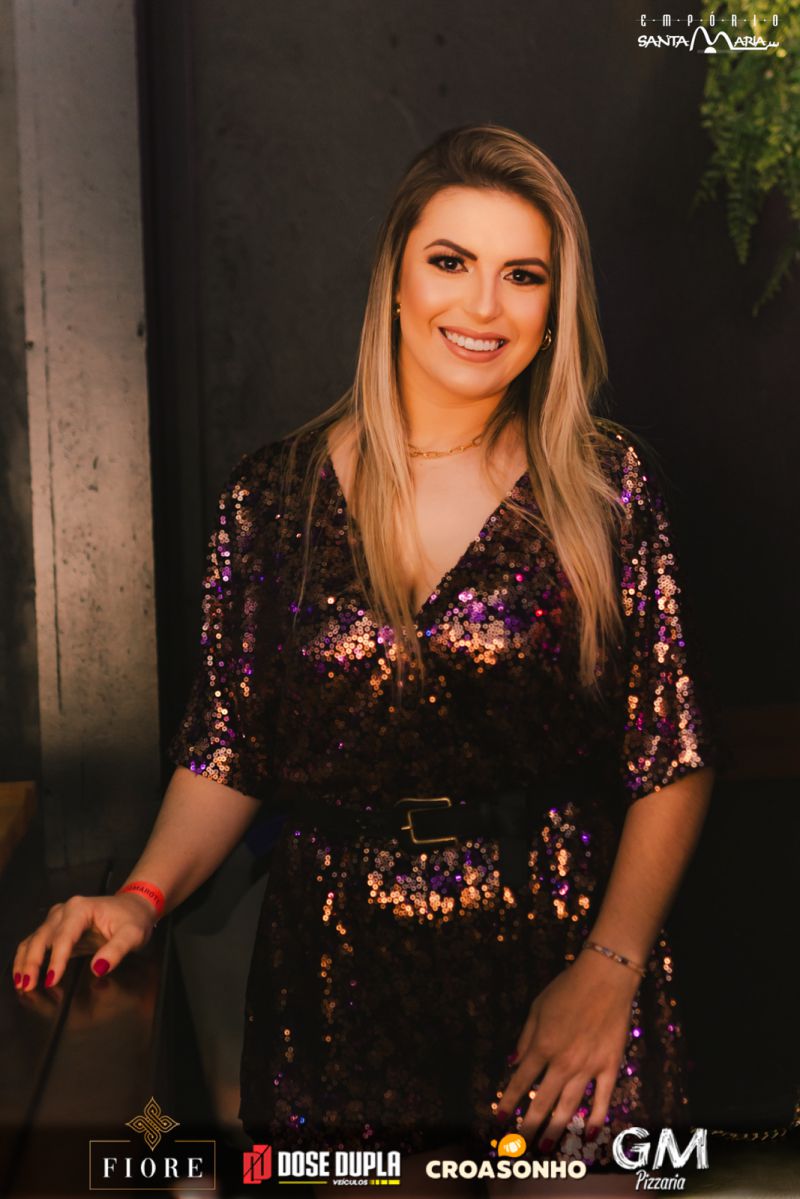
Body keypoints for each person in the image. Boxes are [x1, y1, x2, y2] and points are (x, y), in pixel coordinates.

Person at [11, 123, 717, 1198]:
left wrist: (606, 971)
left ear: (552, 308)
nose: (483, 306)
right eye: (451, 261)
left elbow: (670, 752)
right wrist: (142, 896)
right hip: (337, 974)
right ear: (393, 279)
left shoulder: (605, 485)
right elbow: (229, 747)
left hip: (564, 947)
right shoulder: (271, 496)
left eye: (522, 275)